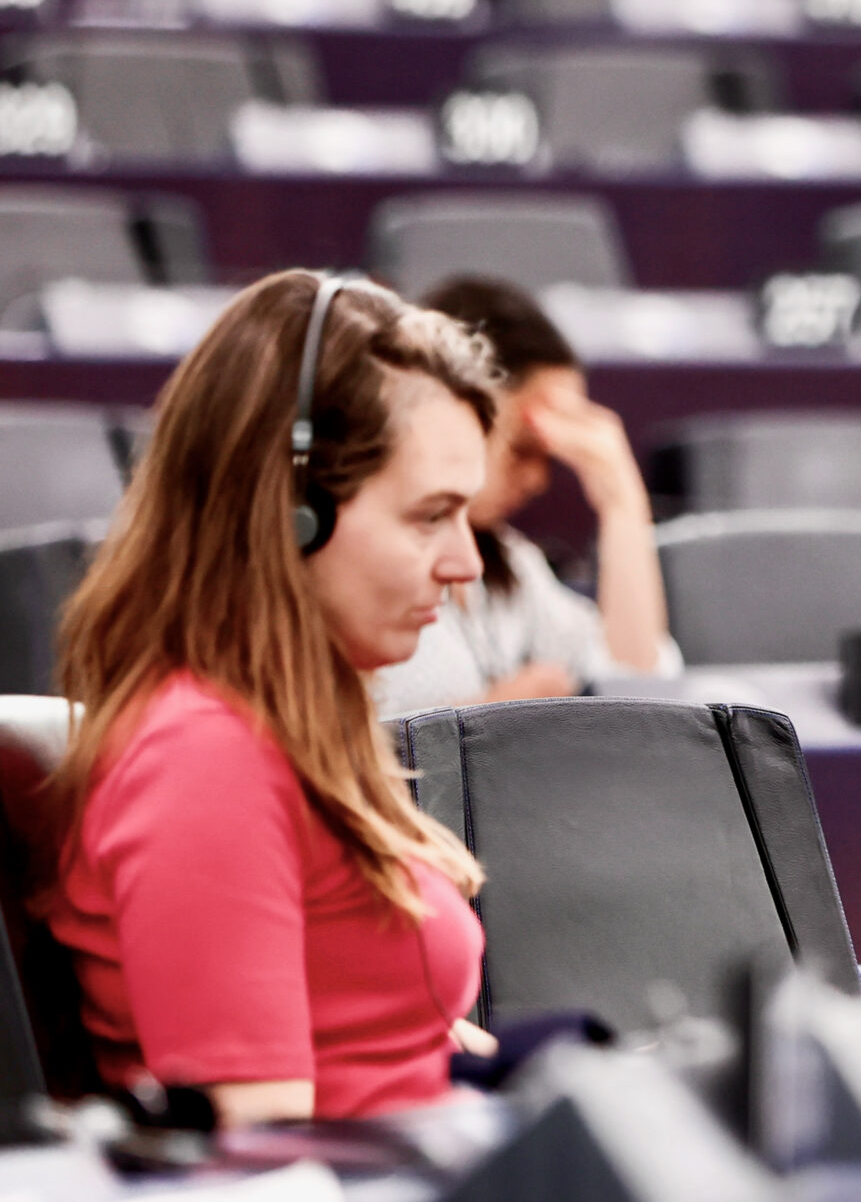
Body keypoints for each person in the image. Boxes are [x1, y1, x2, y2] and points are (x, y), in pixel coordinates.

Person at [40, 271, 496, 1125]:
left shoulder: (295, 727)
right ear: (290, 513)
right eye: (431, 515)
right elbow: (261, 1153)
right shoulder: (204, 756)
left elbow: (377, 1047)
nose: (466, 563)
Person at [366, 276, 677, 716]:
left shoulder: (508, 564)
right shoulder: (367, 564)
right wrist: (491, 718)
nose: (537, 480)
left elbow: (635, 684)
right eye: (523, 449)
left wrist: (623, 504)